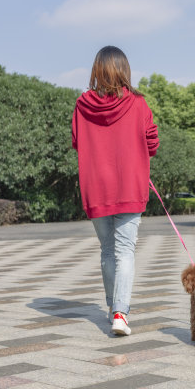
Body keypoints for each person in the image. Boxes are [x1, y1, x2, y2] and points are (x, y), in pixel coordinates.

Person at [71, 46, 159, 336]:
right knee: (125, 251)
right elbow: (152, 143)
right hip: (129, 185)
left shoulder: (82, 105)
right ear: (124, 70)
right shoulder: (138, 103)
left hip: (96, 187)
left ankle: (113, 308)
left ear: (97, 70)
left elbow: (76, 142)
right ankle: (120, 312)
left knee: (108, 251)